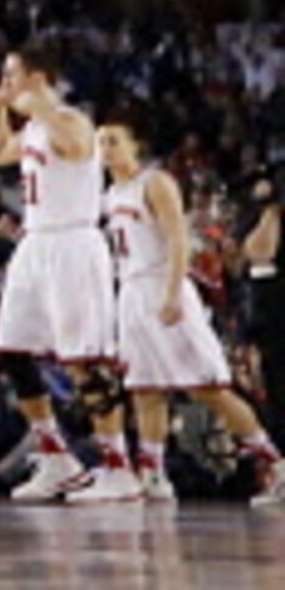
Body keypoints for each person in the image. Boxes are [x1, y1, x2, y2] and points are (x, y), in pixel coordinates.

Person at [98, 125, 282, 504]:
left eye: (113, 140)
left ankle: (276, 465)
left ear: (135, 145)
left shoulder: (155, 182)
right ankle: (153, 475)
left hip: (163, 285)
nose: (105, 148)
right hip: (131, 291)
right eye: (100, 142)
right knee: (143, 389)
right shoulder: (110, 194)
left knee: (208, 387)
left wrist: (172, 292)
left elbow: (178, 238)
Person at [0, 44, 124, 502]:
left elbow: (80, 148)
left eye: (12, 75)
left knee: (83, 359)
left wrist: (34, 106)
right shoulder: (33, 129)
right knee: (12, 351)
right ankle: (56, 457)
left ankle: (117, 464)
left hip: (73, 242)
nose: (5, 83)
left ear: (39, 78)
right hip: (35, 241)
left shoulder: (72, 121)